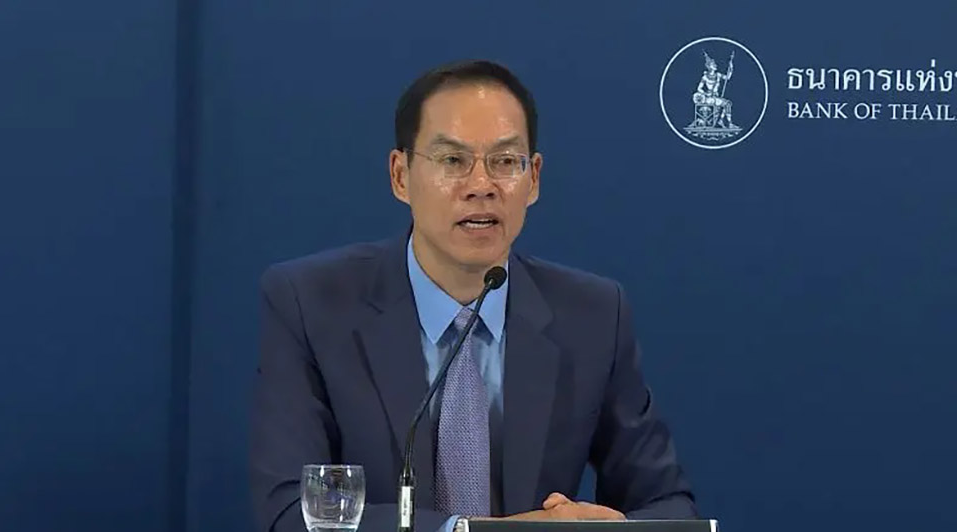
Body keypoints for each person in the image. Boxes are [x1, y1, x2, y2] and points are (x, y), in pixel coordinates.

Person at [250, 60, 696, 532]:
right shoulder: (311, 304)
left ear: (534, 178)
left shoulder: (593, 316)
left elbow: (668, 505)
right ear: (400, 176)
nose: (481, 186)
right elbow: (290, 513)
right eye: (452, 161)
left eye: (504, 162)